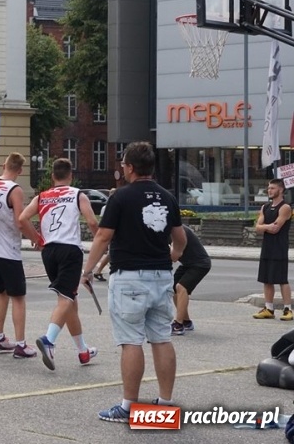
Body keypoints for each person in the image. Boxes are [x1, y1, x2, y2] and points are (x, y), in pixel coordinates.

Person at [82, 141, 187, 423]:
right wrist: (171, 257)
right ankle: (165, 404)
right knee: (161, 338)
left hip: (129, 277)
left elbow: (103, 237)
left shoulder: (120, 198)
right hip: (161, 276)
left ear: (129, 167)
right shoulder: (167, 197)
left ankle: (129, 407)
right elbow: (181, 240)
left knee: (131, 342)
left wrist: (88, 270)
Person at [18, 157, 99, 370]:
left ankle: (83, 351)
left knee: (69, 300)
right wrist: (101, 242)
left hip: (49, 251)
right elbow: (91, 221)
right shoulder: (77, 194)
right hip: (70, 249)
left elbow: (22, 219)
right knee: (66, 299)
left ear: (53, 176)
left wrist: (36, 238)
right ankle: (48, 340)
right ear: (71, 176)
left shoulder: (42, 196)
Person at [0, 152, 37, 359]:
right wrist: (37, 238)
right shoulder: (15, 190)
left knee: (2, 292)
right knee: (18, 297)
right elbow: (21, 220)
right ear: (20, 170)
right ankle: (21, 344)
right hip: (6, 251)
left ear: (4, 165)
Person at [253, 178, 293, 321]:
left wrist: (264, 227)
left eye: (273, 188)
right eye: (269, 188)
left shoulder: (285, 207)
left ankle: (288, 309)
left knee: (282, 279)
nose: (269, 191)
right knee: (267, 279)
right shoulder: (265, 207)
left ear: (281, 190)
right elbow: (257, 228)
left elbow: (276, 229)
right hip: (267, 247)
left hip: (279, 247)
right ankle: (269, 308)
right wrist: (266, 227)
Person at [171, 225, 210, 335]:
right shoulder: (167, 230)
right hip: (187, 264)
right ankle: (186, 321)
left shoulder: (178, 231)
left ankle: (178, 325)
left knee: (181, 287)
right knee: (173, 287)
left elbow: (173, 256)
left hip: (201, 264)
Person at [92, 188, 117, 281]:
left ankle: (100, 270)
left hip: (111, 232)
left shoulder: (106, 207)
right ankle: (98, 271)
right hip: (111, 233)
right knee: (110, 254)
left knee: (111, 254)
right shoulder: (108, 207)